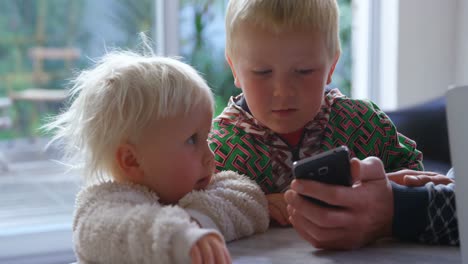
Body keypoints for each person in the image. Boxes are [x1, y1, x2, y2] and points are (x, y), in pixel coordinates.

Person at [208, 0, 455, 249]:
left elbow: (416, 177)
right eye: (262, 72)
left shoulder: (363, 124)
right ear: (235, 69)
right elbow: (195, 209)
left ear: (331, 66)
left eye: (304, 71)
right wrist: (256, 205)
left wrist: (382, 188)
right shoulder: (215, 149)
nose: (282, 92)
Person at [43, 43, 269, 263]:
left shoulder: (201, 190)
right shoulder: (102, 206)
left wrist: (198, 220)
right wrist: (179, 237)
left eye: (206, 137)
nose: (210, 156)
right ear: (132, 160)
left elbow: (247, 197)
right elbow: (107, 232)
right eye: (192, 140)